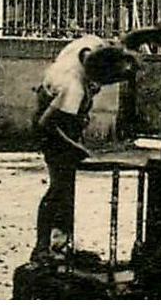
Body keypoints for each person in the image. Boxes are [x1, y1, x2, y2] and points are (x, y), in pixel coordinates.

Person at [31, 33, 138, 263]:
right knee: (59, 187)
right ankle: (41, 248)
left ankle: (62, 245)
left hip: (62, 108)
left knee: (68, 186)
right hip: (51, 122)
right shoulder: (73, 88)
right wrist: (76, 147)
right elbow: (46, 124)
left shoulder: (92, 44)